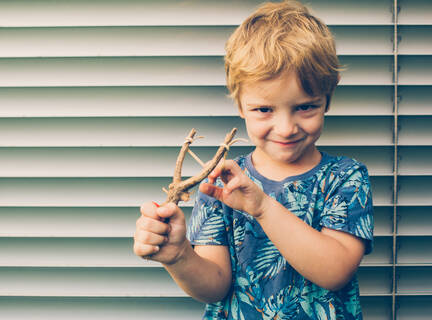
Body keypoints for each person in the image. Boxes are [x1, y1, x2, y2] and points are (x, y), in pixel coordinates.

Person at [133, 1, 374, 319]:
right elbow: (215, 287)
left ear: (327, 99)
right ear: (240, 104)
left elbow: (334, 271)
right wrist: (178, 256)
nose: (286, 128)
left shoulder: (346, 178)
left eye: (305, 107)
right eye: (264, 109)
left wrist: (262, 208)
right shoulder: (222, 182)